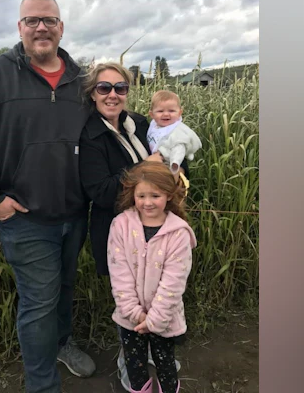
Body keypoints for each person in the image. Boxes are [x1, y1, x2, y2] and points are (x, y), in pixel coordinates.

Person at [0, 0, 95, 393]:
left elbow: (108, 130)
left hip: (74, 212)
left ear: (61, 27)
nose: (41, 27)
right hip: (24, 218)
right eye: (32, 20)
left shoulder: (82, 80)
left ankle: (62, 345)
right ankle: (42, 384)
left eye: (49, 20)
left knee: (65, 287)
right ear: (19, 27)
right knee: (38, 303)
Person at [77, 63, 184, 391]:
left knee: (157, 287)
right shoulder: (89, 134)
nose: (112, 95)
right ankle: (131, 356)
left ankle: (156, 348)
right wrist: (144, 167)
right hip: (119, 230)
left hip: (158, 222)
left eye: (120, 88)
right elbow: (101, 190)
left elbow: (170, 154)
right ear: (92, 93)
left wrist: (175, 164)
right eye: (104, 88)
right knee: (129, 295)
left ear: (127, 91)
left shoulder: (140, 123)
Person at [107, 161, 197, 393]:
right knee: (135, 369)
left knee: (166, 366)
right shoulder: (120, 226)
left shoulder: (178, 233)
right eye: (141, 195)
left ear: (168, 195)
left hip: (164, 319)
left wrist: (155, 319)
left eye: (155, 195)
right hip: (130, 320)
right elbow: (119, 273)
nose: (147, 202)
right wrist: (135, 314)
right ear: (132, 195)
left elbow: (174, 283)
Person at [146, 90, 202, 175]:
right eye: (160, 111)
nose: (166, 114)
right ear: (152, 114)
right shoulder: (153, 125)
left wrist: (175, 162)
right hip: (154, 164)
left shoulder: (178, 131)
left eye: (171, 111)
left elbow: (179, 148)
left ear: (180, 113)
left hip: (169, 165)